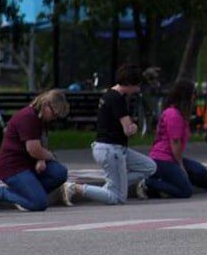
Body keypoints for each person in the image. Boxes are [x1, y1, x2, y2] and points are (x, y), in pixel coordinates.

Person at [63, 64, 156, 205]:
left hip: (109, 148)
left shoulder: (108, 94)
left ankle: (113, 186)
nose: (137, 89)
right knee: (117, 197)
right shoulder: (118, 99)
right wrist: (135, 126)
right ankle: (75, 188)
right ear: (129, 83)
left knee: (149, 166)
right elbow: (128, 129)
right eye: (136, 85)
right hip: (112, 150)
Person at [0, 90, 71, 212]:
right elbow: (33, 149)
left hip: (29, 164)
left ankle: (27, 196)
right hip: (13, 167)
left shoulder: (42, 118)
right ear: (46, 104)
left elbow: (42, 144)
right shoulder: (27, 117)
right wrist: (49, 156)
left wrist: (41, 159)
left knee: (60, 172)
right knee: (39, 204)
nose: (54, 118)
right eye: (54, 114)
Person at [145, 79, 207, 197]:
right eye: (193, 94)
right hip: (163, 158)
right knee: (185, 191)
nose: (194, 97)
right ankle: (149, 183)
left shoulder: (179, 114)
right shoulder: (173, 115)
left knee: (200, 171)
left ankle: (173, 180)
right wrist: (181, 166)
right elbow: (175, 143)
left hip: (171, 157)